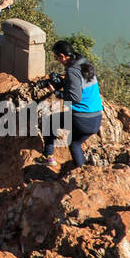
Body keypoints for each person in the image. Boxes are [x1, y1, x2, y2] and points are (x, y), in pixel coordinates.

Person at [43, 39, 104, 170]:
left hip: (83, 119)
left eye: (56, 57)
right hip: (97, 117)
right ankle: (83, 172)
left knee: (52, 121)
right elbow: (80, 85)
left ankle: (49, 157)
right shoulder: (86, 65)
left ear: (62, 56)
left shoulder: (72, 72)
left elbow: (75, 98)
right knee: (75, 143)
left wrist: (56, 93)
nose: (57, 60)